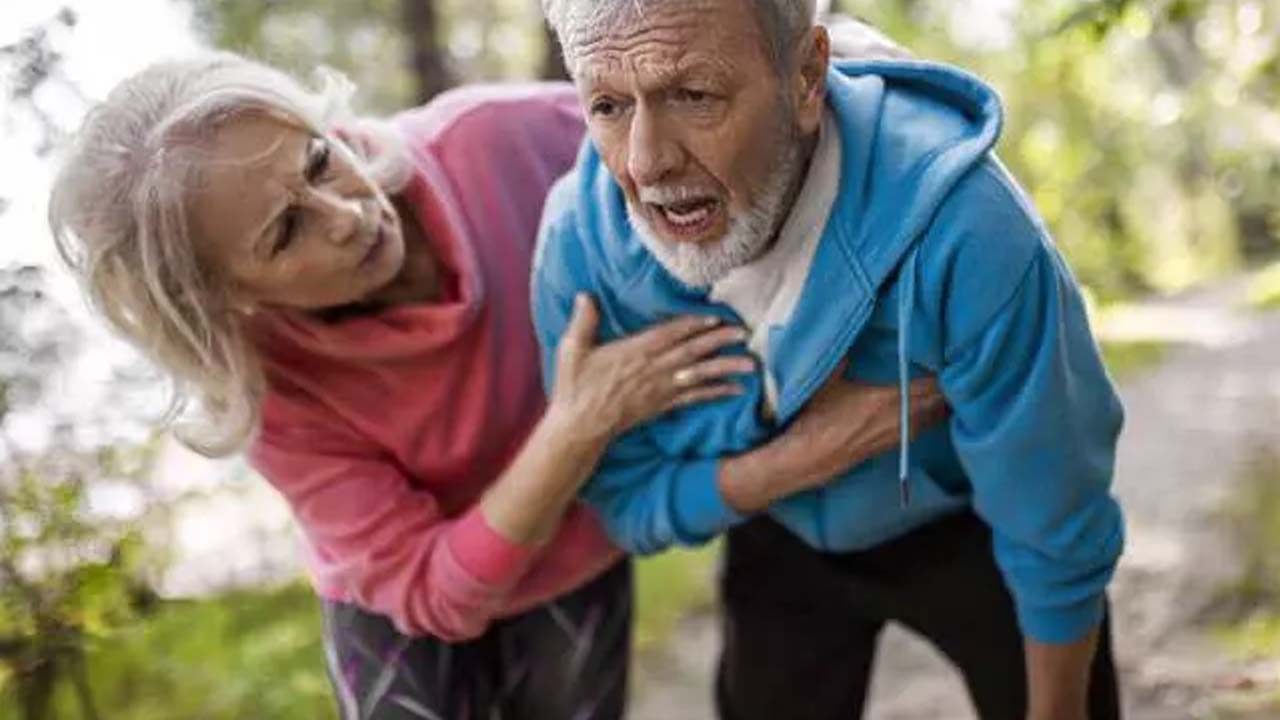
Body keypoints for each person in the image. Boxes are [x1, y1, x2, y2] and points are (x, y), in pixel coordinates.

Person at [47, 50, 943, 719]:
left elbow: (685, 119)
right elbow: (432, 592)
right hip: (403, 601)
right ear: (229, 300)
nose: (349, 212)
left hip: (568, 555)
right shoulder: (270, 394)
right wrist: (576, 424)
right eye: (286, 233)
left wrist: (831, 62)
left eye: (319, 160)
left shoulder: (497, 140)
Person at [533, 2, 1127, 719]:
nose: (646, 161)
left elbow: (1053, 511)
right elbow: (623, 504)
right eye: (607, 104)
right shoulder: (579, 248)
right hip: (774, 526)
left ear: (808, 78)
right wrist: (794, 462)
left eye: (693, 95)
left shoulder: (969, 228)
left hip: (966, 520)